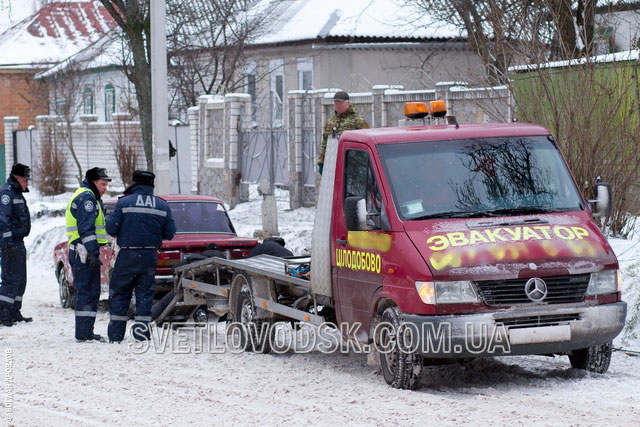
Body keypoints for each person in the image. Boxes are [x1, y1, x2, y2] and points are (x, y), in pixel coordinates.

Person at [106, 170, 176, 343]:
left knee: (120, 293)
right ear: (151, 185)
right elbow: (170, 233)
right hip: (150, 255)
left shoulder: (124, 202)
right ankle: (142, 334)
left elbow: (111, 229)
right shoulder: (162, 205)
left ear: (134, 183)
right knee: (145, 295)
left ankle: (116, 336)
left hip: (128, 254)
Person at [66, 167, 111, 341]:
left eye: (106, 184)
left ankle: (86, 332)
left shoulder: (88, 196)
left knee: (90, 292)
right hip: (83, 251)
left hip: (82, 251)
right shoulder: (87, 198)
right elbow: (86, 229)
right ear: (93, 182)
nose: (105, 187)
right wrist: (93, 253)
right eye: (102, 184)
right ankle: (84, 334)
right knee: (87, 292)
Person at [0, 163, 32, 327]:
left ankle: (14, 311)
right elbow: (2, 219)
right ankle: (3, 314)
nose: (27, 183)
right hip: (10, 243)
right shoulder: (6, 193)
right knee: (10, 279)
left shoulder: (17, 193)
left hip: (18, 241)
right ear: (18, 178)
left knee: (20, 279)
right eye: (26, 179)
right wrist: (8, 243)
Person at [317, 91, 370, 174]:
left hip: (352, 164)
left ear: (347, 103)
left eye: (339, 103)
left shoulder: (358, 121)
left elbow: (367, 143)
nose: (337, 106)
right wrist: (321, 162)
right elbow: (325, 143)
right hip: (333, 163)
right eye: (335, 103)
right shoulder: (330, 122)